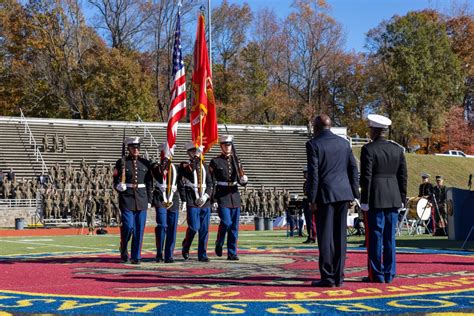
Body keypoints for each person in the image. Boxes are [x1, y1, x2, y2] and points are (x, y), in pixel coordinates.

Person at [306, 114, 359, 288]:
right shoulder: (344, 143)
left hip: (325, 194)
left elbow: (314, 174)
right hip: (343, 194)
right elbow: (353, 168)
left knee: (326, 237)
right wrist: (354, 193)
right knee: (340, 237)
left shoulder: (313, 144)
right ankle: (339, 276)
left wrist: (311, 198)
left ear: (316, 127)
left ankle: (327, 277)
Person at [360, 114, 407, 284]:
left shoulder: (368, 149)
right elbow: (403, 177)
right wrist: (402, 197)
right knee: (389, 238)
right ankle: (389, 273)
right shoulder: (397, 150)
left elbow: (366, 177)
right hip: (394, 197)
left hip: (376, 198)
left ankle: (376, 274)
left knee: (375, 237)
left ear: (374, 130)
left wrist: (364, 200)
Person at [113, 137, 153, 264]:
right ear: (129, 149)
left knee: (139, 229)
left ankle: (136, 256)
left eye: (137, 148)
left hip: (141, 198)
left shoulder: (146, 163)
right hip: (127, 198)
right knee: (128, 227)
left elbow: (149, 182)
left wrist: (149, 199)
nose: (136, 150)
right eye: (133, 148)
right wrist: (118, 186)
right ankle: (124, 246)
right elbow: (115, 179)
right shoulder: (121, 162)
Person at [210, 135, 248, 261]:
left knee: (234, 227)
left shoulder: (236, 160)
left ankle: (232, 252)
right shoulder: (215, 162)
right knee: (226, 222)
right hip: (222, 196)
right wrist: (214, 199)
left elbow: (241, 179)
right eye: (225, 145)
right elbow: (212, 182)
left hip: (234, 196)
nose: (228, 147)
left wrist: (244, 180)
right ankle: (219, 242)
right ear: (221, 146)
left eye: (229, 145)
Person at [178, 142, 213, 262]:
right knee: (193, 227)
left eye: (196, 151)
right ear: (188, 153)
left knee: (204, 229)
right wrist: (197, 157)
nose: (195, 153)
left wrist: (206, 196)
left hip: (205, 201)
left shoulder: (206, 166)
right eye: (192, 151)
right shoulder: (184, 165)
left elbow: (210, 184)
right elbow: (189, 171)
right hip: (192, 199)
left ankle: (202, 254)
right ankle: (186, 245)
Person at [152, 144, 180, 263]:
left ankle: (169, 254)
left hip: (174, 199)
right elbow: (159, 172)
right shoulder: (155, 166)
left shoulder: (176, 167)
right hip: (160, 198)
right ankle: (159, 252)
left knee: (172, 227)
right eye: (166, 153)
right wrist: (165, 160)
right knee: (162, 225)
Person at [302, 166, 316, 244]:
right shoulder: (307, 182)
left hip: (310, 202)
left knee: (311, 221)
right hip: (307, 202)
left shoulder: (312, 182)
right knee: (308, 221)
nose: (304, 174)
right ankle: (309, 236)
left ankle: (312, 237)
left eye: (305, 173)